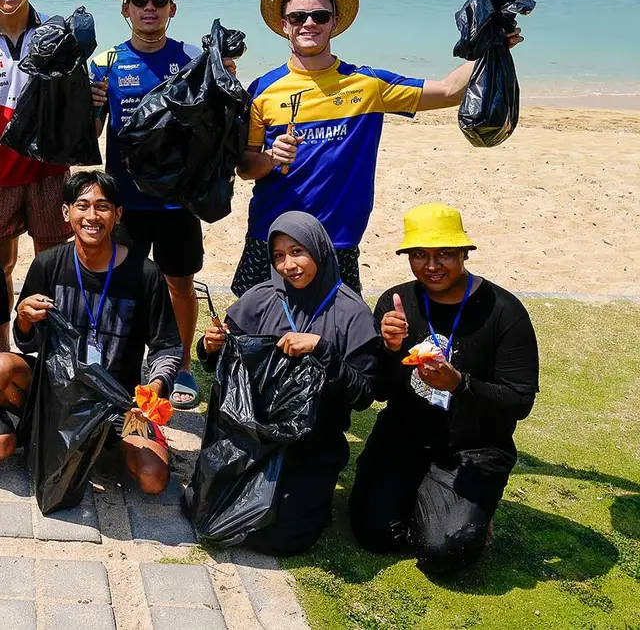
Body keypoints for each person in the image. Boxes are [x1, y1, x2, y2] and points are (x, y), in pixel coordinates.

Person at [234, 0, 523, 298]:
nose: (309, 23)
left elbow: (448, 91)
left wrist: (494, 48)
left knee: (338, 340)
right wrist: (270, 159)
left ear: (335, 22)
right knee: (253, 336)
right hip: (272, 236)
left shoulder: (369, 85)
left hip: (337, 238)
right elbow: (245, 167)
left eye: (319, 15)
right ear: (285, 25)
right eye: (298, 16)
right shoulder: (263, 90)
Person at [349, 203, 539, 573]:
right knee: (375, 535)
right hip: (405, 433)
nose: (431, 266)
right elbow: (380, 393)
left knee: (442, 551)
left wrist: (460, 384)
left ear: (465, 253)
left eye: (444, 254)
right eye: (419, 254)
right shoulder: (396, 302)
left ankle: (468, 515)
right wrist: (388, 350)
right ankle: (426, 493)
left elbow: (519, 401)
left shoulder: (504, 311)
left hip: (475, 445)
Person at [197, 211, 380, 555]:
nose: (288, 265)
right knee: (211, 513)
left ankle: (311, 500)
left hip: (313, 443)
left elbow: (362, 394)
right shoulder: (262, 297)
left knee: (280, 538)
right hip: (254, 436)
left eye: (297, 252)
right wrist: (209, 346)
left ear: (320, 250)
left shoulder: (351, 312)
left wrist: (321, 349)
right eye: (279, 256)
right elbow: (223, 364)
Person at [0, 170, 182, 492]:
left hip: (116, 403)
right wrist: (25, 321)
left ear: (118, 214)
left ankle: (96, 449)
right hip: (54, 396)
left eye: (103, 207)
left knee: (153, 479)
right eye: (82, 205)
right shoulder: (49, 264)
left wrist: (154, 385)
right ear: (66, 213)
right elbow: (27, 341)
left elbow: (167, 346)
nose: (92, 216)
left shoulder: (145, 273)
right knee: (3, 366)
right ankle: (32, 433)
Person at [90, 0, 206, 410]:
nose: (150, 8)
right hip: (125, 197)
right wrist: (92, 105)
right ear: (126, 10)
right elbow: (92, 133)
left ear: (172, 9)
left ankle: (181, 367)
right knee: (124, 282)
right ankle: (126, 361)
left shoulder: (193, 57)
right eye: (140, 0)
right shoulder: (105, 61)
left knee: (179, 283)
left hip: (178, 198)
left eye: (159, 0)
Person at [0, 0, 74, 350]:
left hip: (49, 170)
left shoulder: (55, 32)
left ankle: (48, 352)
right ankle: (4, 357)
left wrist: (94, 94)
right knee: (2, 270)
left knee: (50, 267)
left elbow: (77, 94)